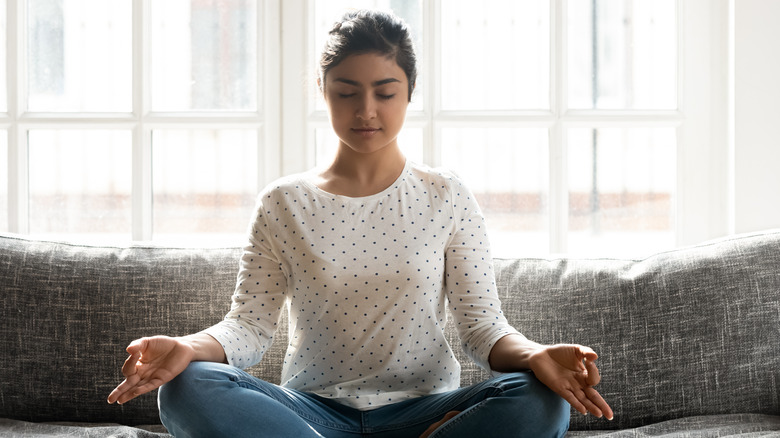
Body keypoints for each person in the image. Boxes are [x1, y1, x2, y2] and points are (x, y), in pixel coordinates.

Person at [107, 9, 612, 437]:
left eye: (384, 92)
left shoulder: (446, 196)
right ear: (323, 91)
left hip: (428, 411)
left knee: (540, 399)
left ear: (409, 93)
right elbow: (249, 328)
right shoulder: (284, 203)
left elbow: (483, 328)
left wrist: (535, 355)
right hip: (310, 413)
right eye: (347, 92)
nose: (366, 110)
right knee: (188, 387)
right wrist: (187, 347)